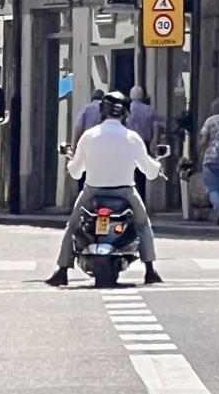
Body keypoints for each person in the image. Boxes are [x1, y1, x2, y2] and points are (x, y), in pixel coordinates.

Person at [45, 91, 163, 286]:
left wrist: (70, 161)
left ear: (102, 111)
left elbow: (75, 172)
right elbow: (149, 172)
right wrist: (157, 165)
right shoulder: (132, 138)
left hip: (93, 191)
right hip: (125, 191)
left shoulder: (89, 136)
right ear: (125, 113)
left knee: (72, 226)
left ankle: (62, 270)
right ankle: (150, 270)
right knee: (143, 225)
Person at [126, 86, 159, 198]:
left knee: (129, 171)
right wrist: (154, 142)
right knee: (142, 173)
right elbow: (155, 128)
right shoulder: (149, 110)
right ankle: (142, 198)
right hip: (144, 143)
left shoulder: (126, 110)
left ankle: (130, 198)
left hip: (129, 143)